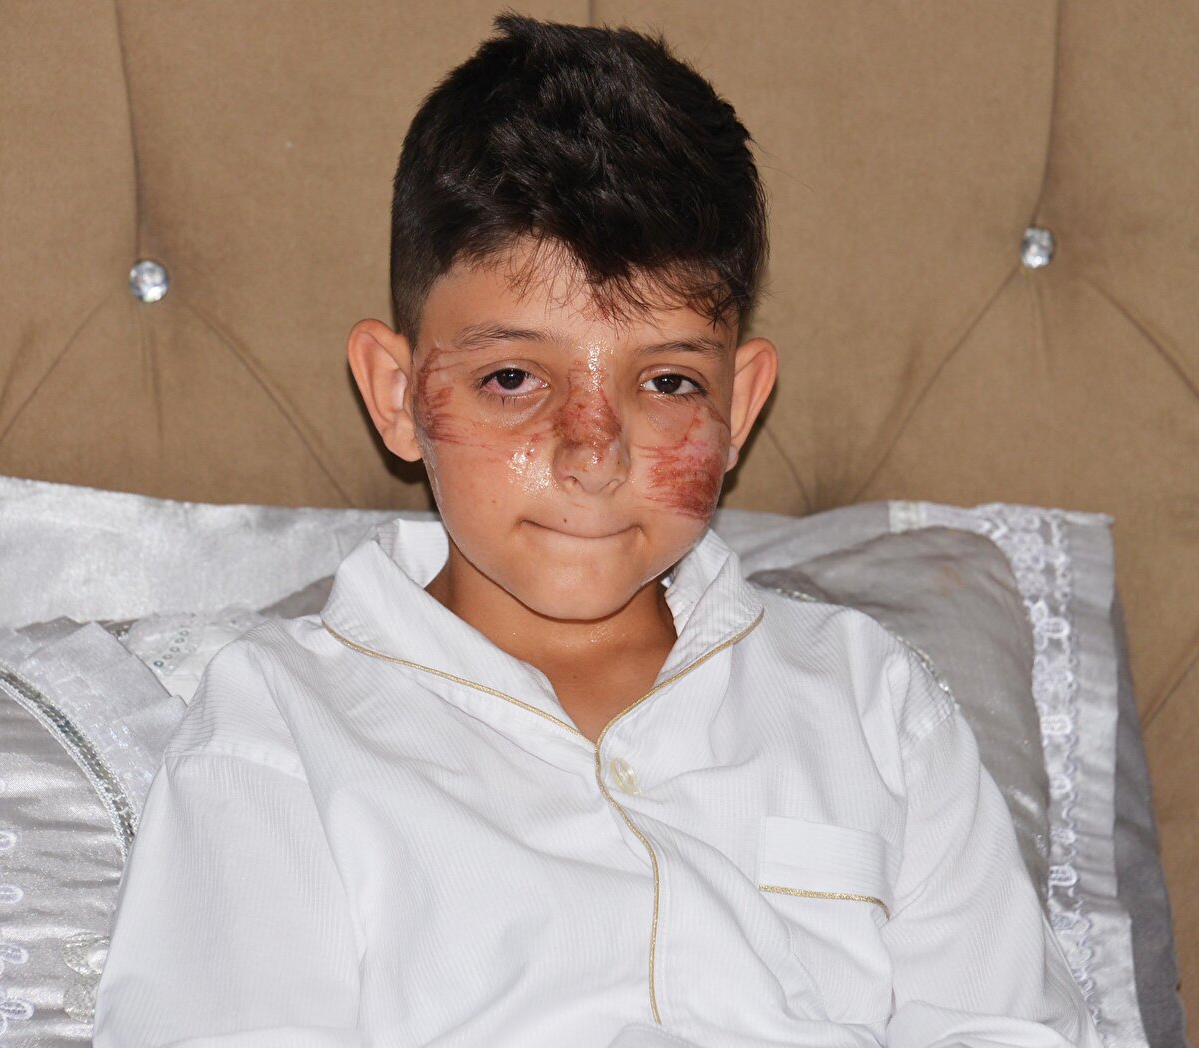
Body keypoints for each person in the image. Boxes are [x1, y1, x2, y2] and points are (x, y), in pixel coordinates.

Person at [94, 15, 1102, 1048]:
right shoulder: (279, 726)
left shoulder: (869, 700)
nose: (591, 453)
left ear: (740, 405)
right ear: (397, 395)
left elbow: (1011, 1026)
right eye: (512, 378)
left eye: (666, 383)